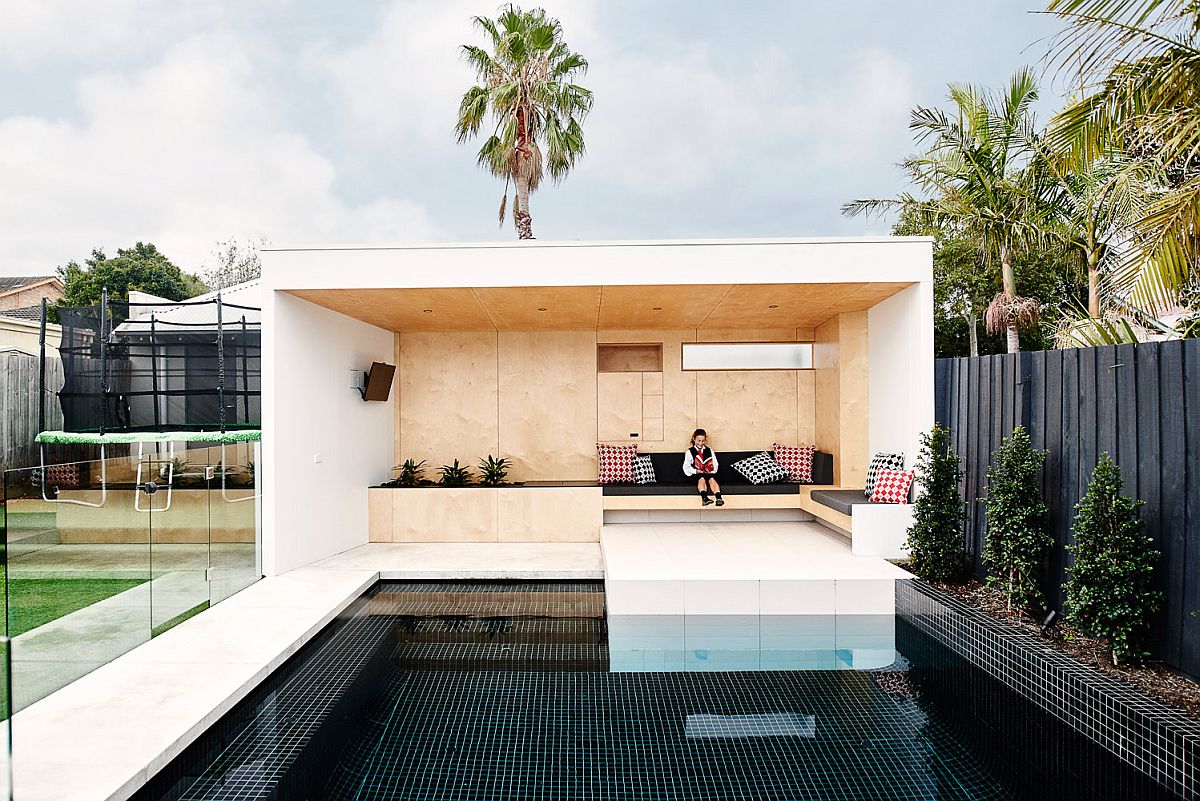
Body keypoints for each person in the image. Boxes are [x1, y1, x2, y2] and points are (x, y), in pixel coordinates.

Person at [682, 428, 724, 506]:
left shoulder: (709, 450)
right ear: (694, 439)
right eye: (699, 441)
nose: (701, 443)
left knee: (712, 479)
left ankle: (718, 498)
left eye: (703, 441)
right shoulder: (689, 452)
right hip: (696, 475)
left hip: (708, 473)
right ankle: (704, 498)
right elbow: (686, 467)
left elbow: (715, 464)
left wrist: (710, 470)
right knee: (702, 478)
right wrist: (696, 471)